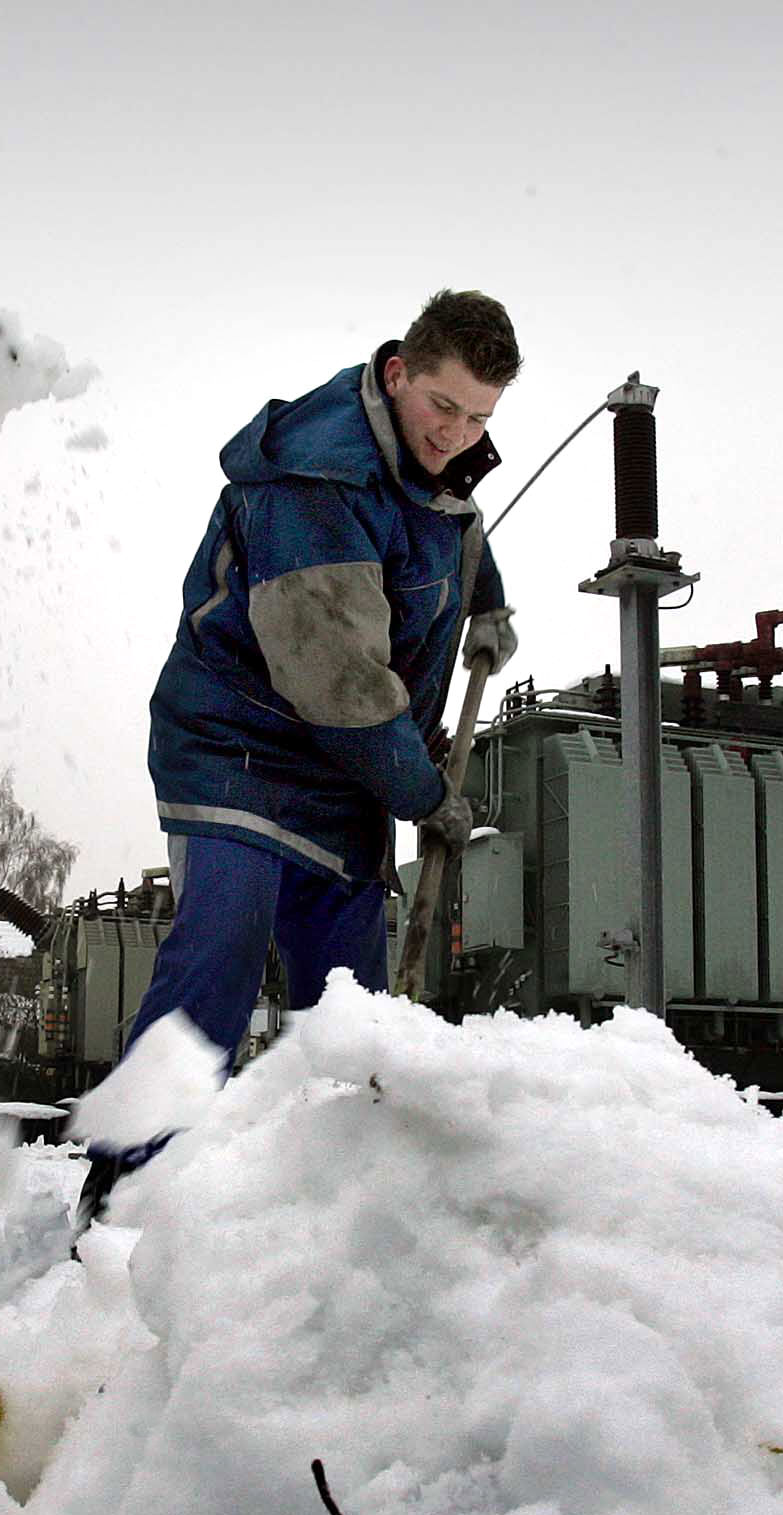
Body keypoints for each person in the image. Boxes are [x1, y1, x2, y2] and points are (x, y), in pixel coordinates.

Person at [80, 289, 523, 1223]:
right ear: (397, 371)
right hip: (240, 741)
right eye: (444, 406)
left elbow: (444, 520)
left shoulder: (430, 454)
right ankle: (121, 1192)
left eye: (479, 417)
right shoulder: (312, 482)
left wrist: (486, 597)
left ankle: (326, 1222)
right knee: (221, 950)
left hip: (342, 767)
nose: (457, 433)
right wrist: (425, 793)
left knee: (349, 1003)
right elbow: (336, 684)